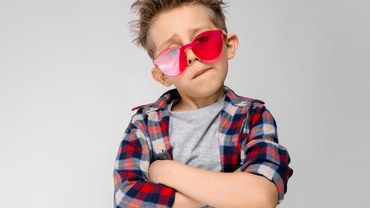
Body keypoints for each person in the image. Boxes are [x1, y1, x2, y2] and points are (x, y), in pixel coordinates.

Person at [113, 1, 293, 207]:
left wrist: (166, 171)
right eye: (173, 53)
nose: (191, 56)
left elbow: (260, 197)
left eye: (203, 40)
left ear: (229, 45)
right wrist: (231, 190)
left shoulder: (253, 117)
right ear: (162, 75)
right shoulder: (144, 125)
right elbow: (125, 200)